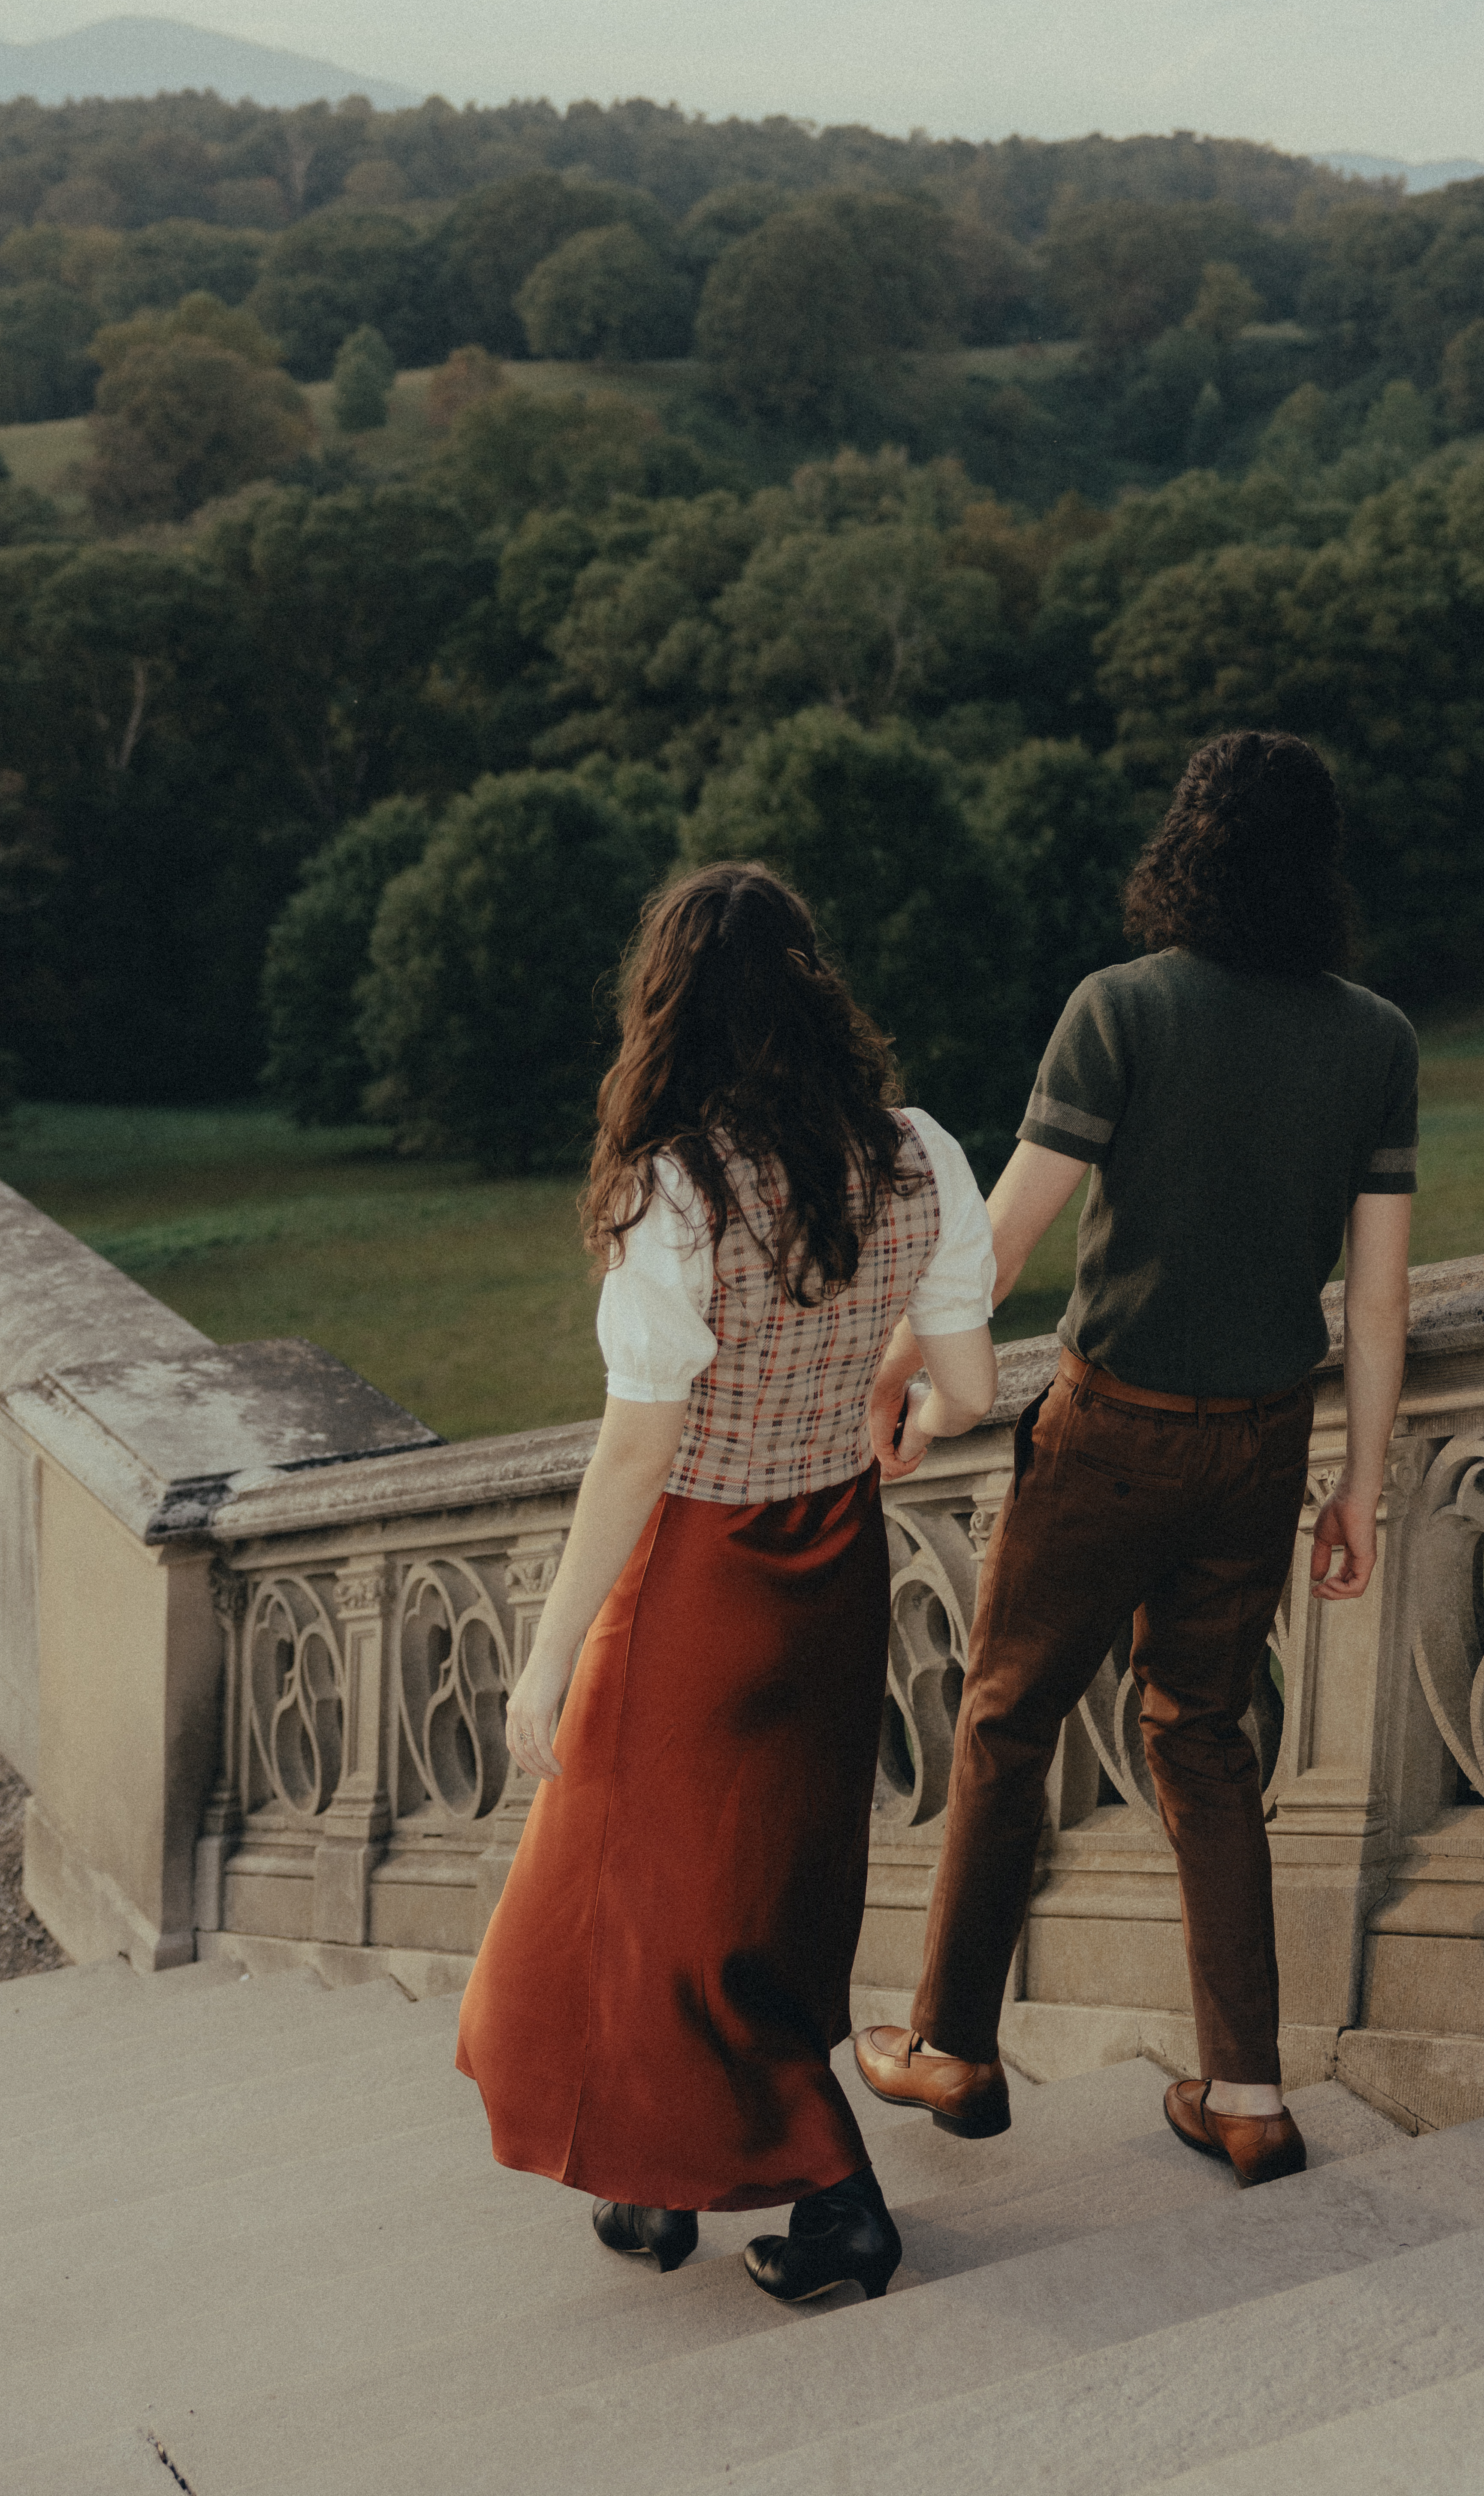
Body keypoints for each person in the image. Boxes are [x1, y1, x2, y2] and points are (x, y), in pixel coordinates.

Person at [854, 729, 1415, 2189]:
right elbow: (1379, 1296)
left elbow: (1012, 1235)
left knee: (1006, 1716)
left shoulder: (1121, 1010)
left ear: (1188, 848)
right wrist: (1359, 1482)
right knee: (1207, 1742)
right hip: (1265, 1443)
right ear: (1318, 869)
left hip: (1112, 1435)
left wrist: (910, 1356)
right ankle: (1245, 2090)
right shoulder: (1377, 1040)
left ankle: (954, 2047)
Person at [454, 860, 999, 2304]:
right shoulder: (918, 1152)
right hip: (832, 1564)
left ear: (669, 1011)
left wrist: (548, 1655)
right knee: (746, 1882)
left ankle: (840, 2199)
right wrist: (882, 1407)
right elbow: (971, 1383)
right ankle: (653, 2182)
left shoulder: (670, 1190)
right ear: (813, 991)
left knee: (631, 1889)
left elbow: (638, 1452)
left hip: (698, 1575)